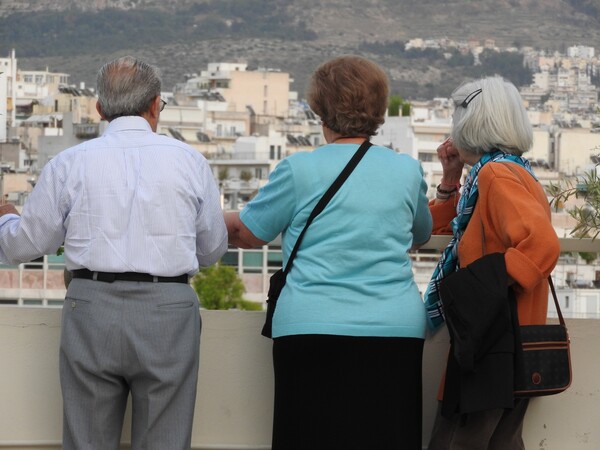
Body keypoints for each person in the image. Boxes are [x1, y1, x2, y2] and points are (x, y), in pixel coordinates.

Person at [0, 56, 228, 449]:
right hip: (169, 310)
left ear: (100, 109)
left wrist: (6, 218)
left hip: (90, 307)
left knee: (86, 439)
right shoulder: (191, 162)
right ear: (156, 104)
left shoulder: (68, 163)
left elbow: (24, 246)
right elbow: (211, 251)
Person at [225, 55, 432, 450]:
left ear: (320, 109)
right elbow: (419, 233)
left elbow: (247, 233)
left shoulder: (299, 170)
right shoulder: (406, 171)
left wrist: (201, 215)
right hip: (394, 330)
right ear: (379, 109)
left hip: (310, 328)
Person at [424, 76, 560, 450]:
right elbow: (445, 229)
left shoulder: (497, 175)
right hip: (512, 346)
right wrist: (451, 179)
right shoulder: (507, 170)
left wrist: (477, 288)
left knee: (453, 443)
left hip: (492, 345)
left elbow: (542, 245)